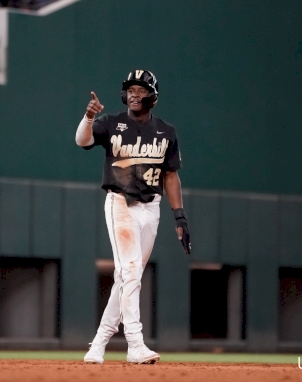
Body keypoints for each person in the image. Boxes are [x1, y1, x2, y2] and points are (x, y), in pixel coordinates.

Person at [75, 70, 192, 364]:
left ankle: (99, 344)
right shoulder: (111, 123)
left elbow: (170, 175)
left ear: (153, 95)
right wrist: (88, 118)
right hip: (120, 203)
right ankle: (135, 344)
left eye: (141, 89)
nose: (135, 94)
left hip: (151, 207)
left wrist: (179, 217)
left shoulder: (166, 131)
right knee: (129, 272)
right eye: (131, 89)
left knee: (129, 277)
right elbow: (82, 141)